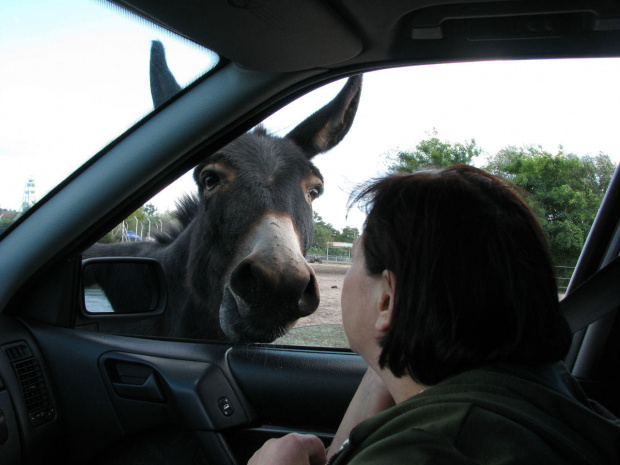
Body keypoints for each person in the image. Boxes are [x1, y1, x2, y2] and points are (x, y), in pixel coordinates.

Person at [248, 165, 620, 465]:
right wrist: (391, 352)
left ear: (387, 301)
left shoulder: (428, 450)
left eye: (355, 262)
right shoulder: (552, 394)